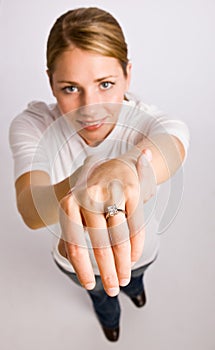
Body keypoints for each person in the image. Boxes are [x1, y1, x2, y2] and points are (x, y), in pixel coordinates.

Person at [9, 7, 189, 342]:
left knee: (134, 279)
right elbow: (30, 212)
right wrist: (80, 181)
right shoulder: (33, 125)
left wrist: (126, 165)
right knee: (101, 296)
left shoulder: (148, 121)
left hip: (142, 254)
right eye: (70, 88)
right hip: (76, 264)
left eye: (105, 84)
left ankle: (136, 291)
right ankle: (110, 319)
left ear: (128, 75)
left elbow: (173, 143)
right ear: (50, 82)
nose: (90, 107)